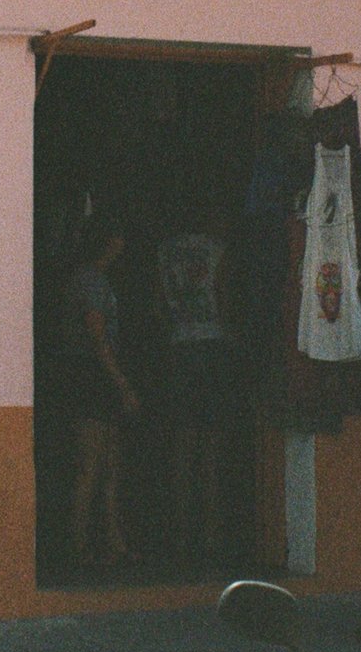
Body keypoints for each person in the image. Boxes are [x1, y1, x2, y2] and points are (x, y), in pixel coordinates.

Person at [57, 218, 137, 569]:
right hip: (91, 375)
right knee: (91, 465)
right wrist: (122, 384)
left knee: (108, 464)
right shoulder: (90, 281)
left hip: (95, 375)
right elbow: (97, 336)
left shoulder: (93, 279)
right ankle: (78, 546)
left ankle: (112, 542)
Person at [156, 210, 232, 570]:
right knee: (212, 449)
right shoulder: (217, 250)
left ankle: (180, 538)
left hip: (178, 347)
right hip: (212, 346)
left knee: (182, 448)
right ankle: (213, 537)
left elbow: (158, 305)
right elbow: (224, 298)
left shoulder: (164, 252)